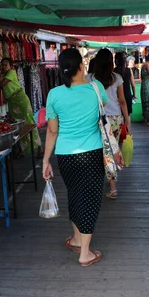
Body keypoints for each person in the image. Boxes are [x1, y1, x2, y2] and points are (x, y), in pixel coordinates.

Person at [43, 48, 107, 267]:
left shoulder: (54, 94)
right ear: (82, 66)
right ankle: (85, 253)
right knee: (90, 200)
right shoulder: (95, 88)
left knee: (74, 194)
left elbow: (52, 131)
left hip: (65, 156)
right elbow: (103, 109)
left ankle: (78, 239)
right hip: (92, 154)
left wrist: (45, 161)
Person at [88, 49, 131, 200]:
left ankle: (107, 182)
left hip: (96, 118)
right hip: (115, 119)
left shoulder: (89, 78)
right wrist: (127, 119)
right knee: (111, 150)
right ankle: (112, 184)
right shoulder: (117, 77)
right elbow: (122, 100)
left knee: (99, 151)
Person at [0, 58, 42, 157]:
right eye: (2, 65)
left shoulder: (11, 72)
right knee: (17, 126)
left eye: (5, 65)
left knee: (29, 123)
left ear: (10, 65)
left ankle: (39, 148)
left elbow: (2, 84)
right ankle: (22, 149)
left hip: (21, 100)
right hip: (12, 102)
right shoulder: (3, 75)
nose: (3, 67)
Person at [114, 51, 136, 116]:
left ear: (116, 61)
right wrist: (134, 95)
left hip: (117, 96)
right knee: (127, 115)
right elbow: (133, 85)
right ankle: (127, 126)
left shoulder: (113, 71)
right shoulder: (129, 70)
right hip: (127, 95)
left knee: (118, 115)